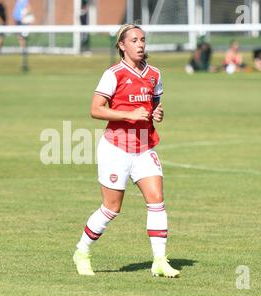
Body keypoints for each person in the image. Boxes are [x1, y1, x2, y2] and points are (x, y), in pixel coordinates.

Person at [72, 24, 180, 278]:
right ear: (122, 45)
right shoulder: (113, 74)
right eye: (134, 40)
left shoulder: (154, 73)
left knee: (157, 201)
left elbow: (154, 105)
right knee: (111, 208)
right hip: (116, 149)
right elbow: (96, 109)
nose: (140, 44)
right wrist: (128, 114)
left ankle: (159, 260)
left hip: (144, 146)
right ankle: (82, 251)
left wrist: (158, 113)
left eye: (143, 40)